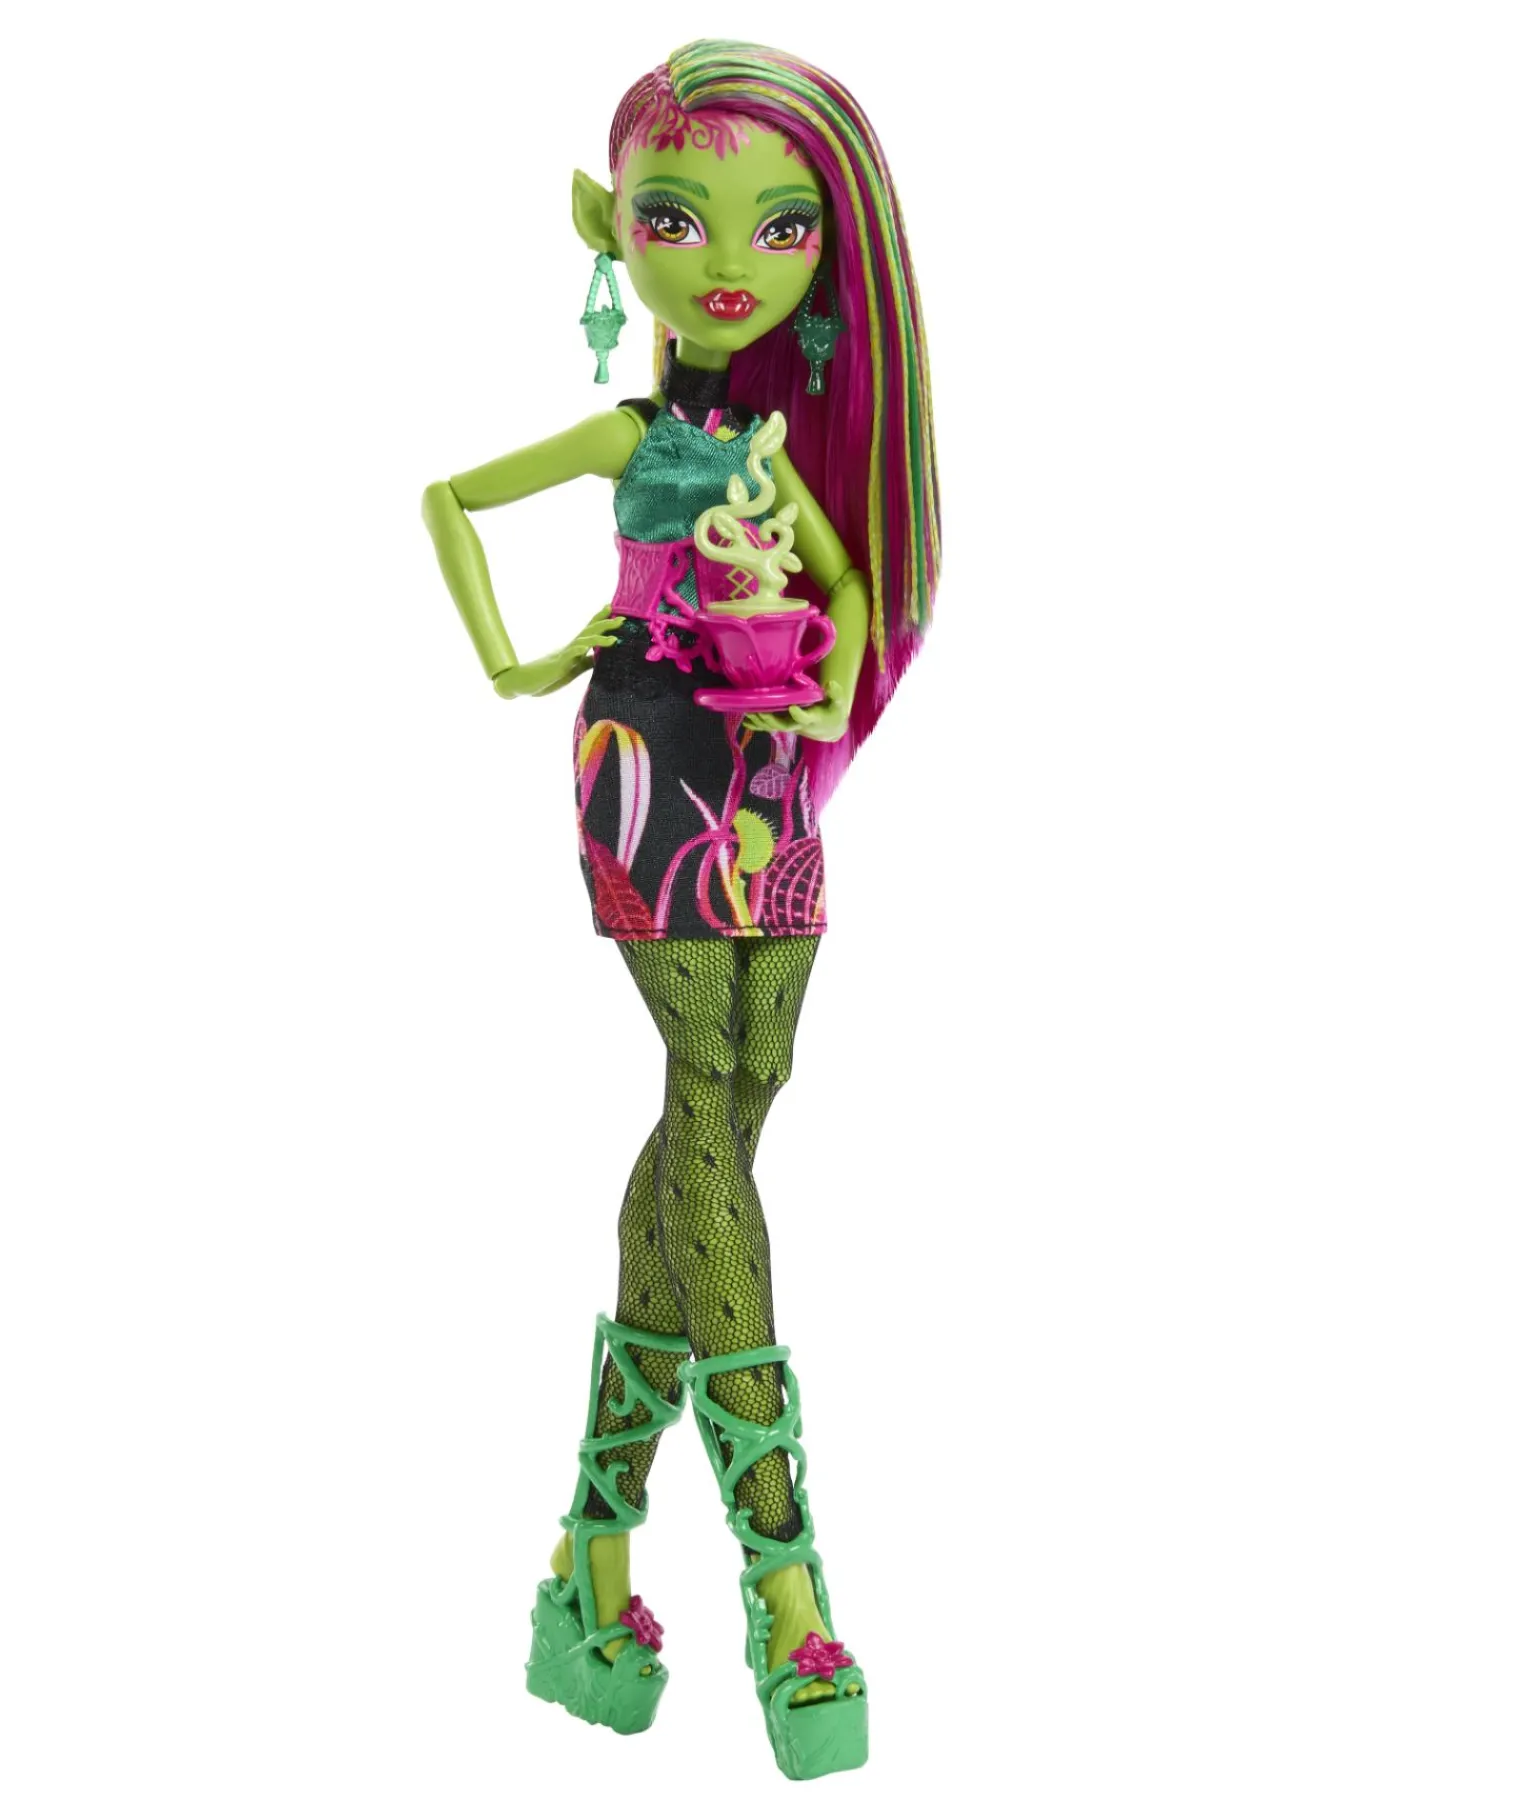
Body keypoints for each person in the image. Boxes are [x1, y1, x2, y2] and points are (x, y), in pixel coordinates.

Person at [420, 39, 939, 1780]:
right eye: (672, 217)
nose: (726, 259)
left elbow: (852, 592)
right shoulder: (632, 432)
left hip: (770, 776)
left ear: (830, 250)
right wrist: (518, 659)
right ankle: (786, 1579)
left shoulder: (776, 450)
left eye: (780, 224)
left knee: (741, 1090)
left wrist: (826, 691)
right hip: (647, 758)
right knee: (708, 1093)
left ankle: (590, 1558)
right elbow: (449, 497)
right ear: (610, 231)